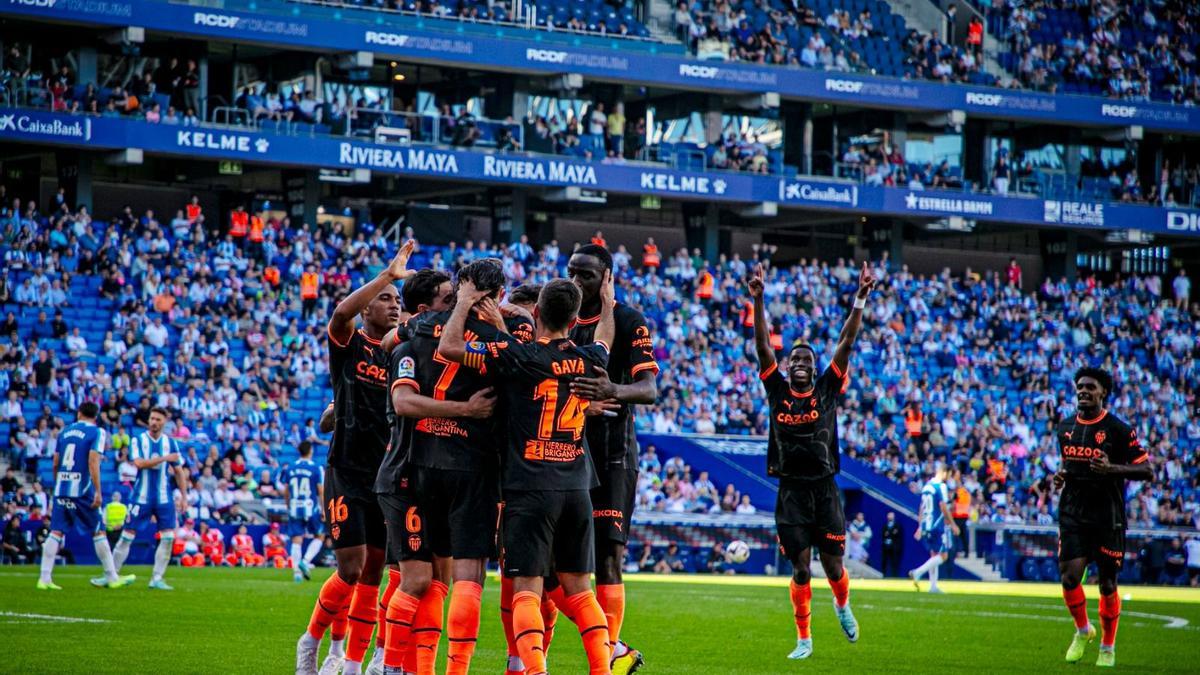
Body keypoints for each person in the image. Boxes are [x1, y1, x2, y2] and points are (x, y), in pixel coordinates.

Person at [439, 275, 617, 675]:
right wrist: (606, 303)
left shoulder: (518, 356)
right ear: (574, 320)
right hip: (576, 488)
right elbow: (605, 336)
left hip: (529, 487)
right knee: (581, 591)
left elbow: (449, 347)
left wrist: (467, 301)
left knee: (526, 592)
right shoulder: (592, 359)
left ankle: (534, 671)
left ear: (535, 312)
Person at [377, 260, 518, 675]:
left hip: (420, 463)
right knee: (467, 576)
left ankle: (395, 665)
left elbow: (389, 342)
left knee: (425, 576)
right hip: (474, 466)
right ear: (497, 294)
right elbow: (519, 375)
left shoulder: (417, 329)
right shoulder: (497, 338)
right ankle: (454, 670)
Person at [296, 241, 416, 675]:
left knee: (374, 574)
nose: (393, 305)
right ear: (368, 308)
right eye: (385, 300)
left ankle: (348, 661)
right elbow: (339, 315)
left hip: (385, 476)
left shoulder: (400, 356)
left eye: (397, 301)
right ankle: (310, 642)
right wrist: (386, 276)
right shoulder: (351, 344)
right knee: (349, 567)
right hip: (345, 469)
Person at [747, 260, 874, 661]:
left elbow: (847, 342)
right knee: (801, 569)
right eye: (794, 361)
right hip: (790, 493)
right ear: (787, 367)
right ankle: (804, 638)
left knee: (834, 568)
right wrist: (759, 299)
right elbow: (763, 346)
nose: (799, 364)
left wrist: (859, 300)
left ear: (816, 369)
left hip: (824, 490)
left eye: (806, 361)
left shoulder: (827, 389)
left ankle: (841, 605)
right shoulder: (775, 389)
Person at [566, 244, 659, 675]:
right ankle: (613, 649)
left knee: (607, 558)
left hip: (614, 456)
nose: (576, 281)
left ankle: (603, 663)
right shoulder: (560, 319)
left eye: (585, 275)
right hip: (564, 453)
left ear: (606, 278)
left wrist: (613, 391)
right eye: (571, 272)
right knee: (550, 568)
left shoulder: (628, 320)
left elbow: (648, 389)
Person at [1055, 367, 1152, 668]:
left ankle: (1108, 646)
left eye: (1090, 387)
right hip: (1073, 511)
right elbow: (1069, 464)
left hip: (1107, 516)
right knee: (1069, 577)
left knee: (1107, 584)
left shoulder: (1119, 430)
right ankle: (1083, 630)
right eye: (1080, 387)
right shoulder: (1065, 426)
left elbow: (1146, 470)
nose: (1083, 391)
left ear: (1103, 392)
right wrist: (1061, 476)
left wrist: (1113, 469)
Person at [36, 401, 134, 590]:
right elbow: (93, 461)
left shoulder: (64, 432)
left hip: (62, 488)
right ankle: (112, 576)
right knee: (98, 531)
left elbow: (55, 462)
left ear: (79, 413)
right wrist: (97, 491)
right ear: (96, 416)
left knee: (56, 531)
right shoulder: (97, 432)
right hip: (82, 489)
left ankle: (44, 578)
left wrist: (58, 484)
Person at [112, 407, 188, 590]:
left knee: (168, 537)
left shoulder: (171, 443)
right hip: (140, 497)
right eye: (152, 418)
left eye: (158, 419)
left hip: (164, 497)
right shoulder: (138, 440)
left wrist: (184, 497)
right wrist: (165, 458)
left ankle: (157, 578)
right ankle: (111, 575)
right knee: (126, 536)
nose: (154, 422)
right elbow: (139, 463)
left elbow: (179, 471)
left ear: (164, 422)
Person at [908, 463, 958, 593]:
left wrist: (920, 526)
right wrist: (952, 524)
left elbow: (921, 508)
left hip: (926, 525)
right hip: (937, 525)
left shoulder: (926, 486)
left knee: (933, 555)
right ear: (944, 472)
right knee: (943, 556)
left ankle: (933, 586)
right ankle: (918, 572)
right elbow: (943, 506)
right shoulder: (940, 486)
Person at [282, 441, 325, 583]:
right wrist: (324, 509)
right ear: (310, 451)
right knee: (319, 536)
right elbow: (320, 490)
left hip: (294, 506)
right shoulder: (316, 468)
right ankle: (305, 562)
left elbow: (286, 490)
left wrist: (288, 505)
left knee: (296, 539)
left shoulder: (290, 467)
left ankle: (297, 573)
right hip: (310, 506)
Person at [880, 512, 902, 577]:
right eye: (889, 515)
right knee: (884, 561)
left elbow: (898, 536)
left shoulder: (897, 525)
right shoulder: (885, 525)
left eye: (891, 516)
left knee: (894, 562)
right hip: (886, 546)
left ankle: (894, 576)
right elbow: (883, 535)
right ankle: (883, 575)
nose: (890, 517)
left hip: (894, 547)